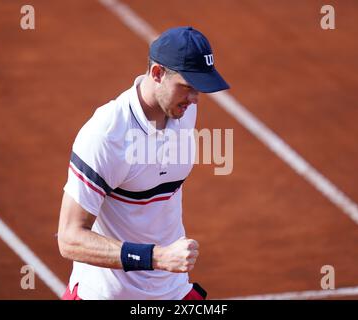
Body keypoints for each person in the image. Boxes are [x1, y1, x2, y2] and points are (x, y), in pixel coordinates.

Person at [57, 26, 230, 300]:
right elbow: (69, 238)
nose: (195, 99)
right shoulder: (106, 136)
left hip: (172, 290)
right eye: (187, 87)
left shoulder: (183, 109)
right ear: (158, 73)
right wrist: (156, 257)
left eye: (199, 90)